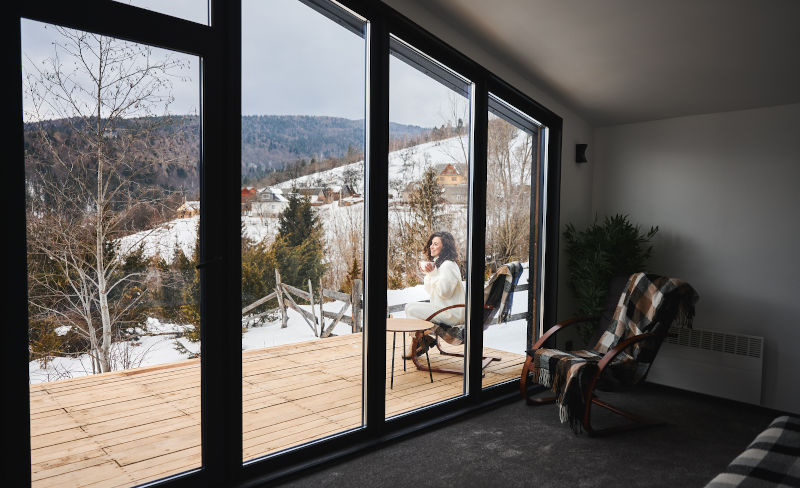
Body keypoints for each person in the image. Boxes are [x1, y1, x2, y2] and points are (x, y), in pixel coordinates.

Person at [404, 231, 465, 357]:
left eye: (436, 244)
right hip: (444, 310)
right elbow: (431, 290)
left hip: (452, 313)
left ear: (445, 247)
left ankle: (421, 341)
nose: (431, 246)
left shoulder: (448, 265)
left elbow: (444, 293)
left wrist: (432, 274)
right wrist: (429, 273)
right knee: (410, 308)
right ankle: (422, 339)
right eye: (431, 243)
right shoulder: (441, 265)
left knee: (410, 309)